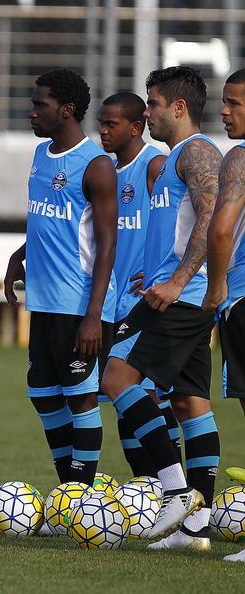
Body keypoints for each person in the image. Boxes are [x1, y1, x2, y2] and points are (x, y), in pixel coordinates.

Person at [100, 65, 222, 550]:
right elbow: (178, 226)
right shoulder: (172, 160)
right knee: (191, 402)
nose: (146, 112)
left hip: (181, 297)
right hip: (172, 291)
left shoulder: (197, 152)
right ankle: (196, 528)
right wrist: (153, 270)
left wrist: (175, 280)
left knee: (115, 378)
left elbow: (212, 219)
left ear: (178, 107)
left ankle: (175, 490)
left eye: (152, 104)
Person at [3, 69, 117, 491]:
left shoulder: (96, 165)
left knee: (81, 398)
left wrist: (94, 316)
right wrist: (19, 256)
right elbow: (48, 221)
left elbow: (107, 246)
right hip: (45, 302)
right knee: (44, 395)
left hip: (79, 306)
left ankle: (79, 497)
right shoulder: (41, 155)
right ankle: (71, 489)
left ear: (66, 110)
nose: (31, 112)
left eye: (40, 105)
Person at [97, 92, 173, 478]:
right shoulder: (106, 170)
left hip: (142, 303)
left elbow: (184, 219)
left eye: (111, 124)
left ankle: (171, 485)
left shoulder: (154, 165)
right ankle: (149, 486)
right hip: (110, 303)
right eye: (101, 123)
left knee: (143, 392)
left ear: (135, 127)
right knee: (124, 398)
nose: (103, 131)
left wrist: (161, 269)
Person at [202, 68, 245, 562]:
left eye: (234, 103)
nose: (225, 112)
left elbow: (220, 231)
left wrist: (216, 290)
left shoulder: (238, 157)